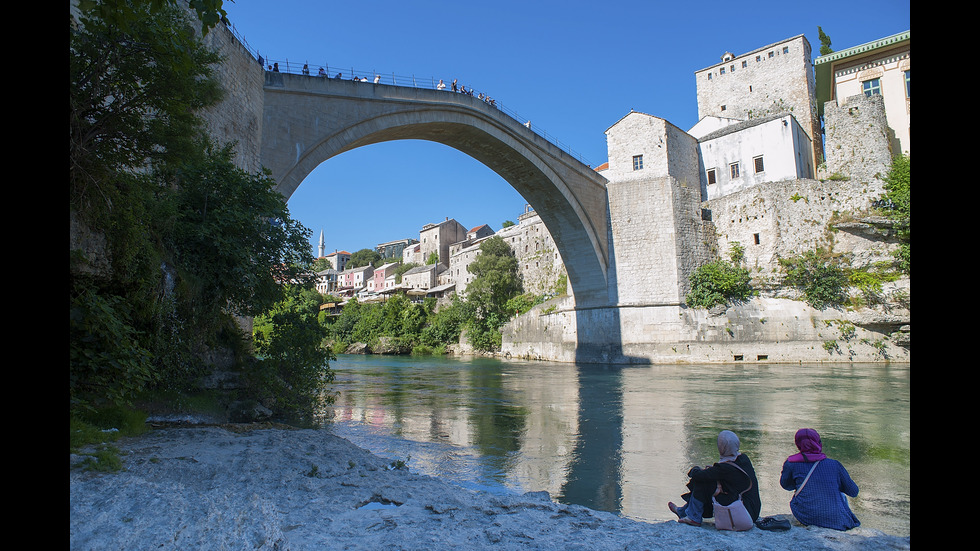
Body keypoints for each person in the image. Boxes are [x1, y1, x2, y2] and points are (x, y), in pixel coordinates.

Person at [669, 430, 761, 527]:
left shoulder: (724, 468)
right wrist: (710, 471)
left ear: (721, 447)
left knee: (703, 482)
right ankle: (684, 512)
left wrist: (695, 469)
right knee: (710, 480)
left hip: (744, 514)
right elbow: (722, 474)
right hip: (753, 510)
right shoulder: (744, 459)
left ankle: (693, 517)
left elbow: (698, 476)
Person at [780, 428, 860, 530]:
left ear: (798, 444)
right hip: (837, 520)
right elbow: (854, 492)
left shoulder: (791, 463)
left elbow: (786, 486)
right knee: (841, 494)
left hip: (805, 517)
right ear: (818, 442)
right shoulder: (834, 464)